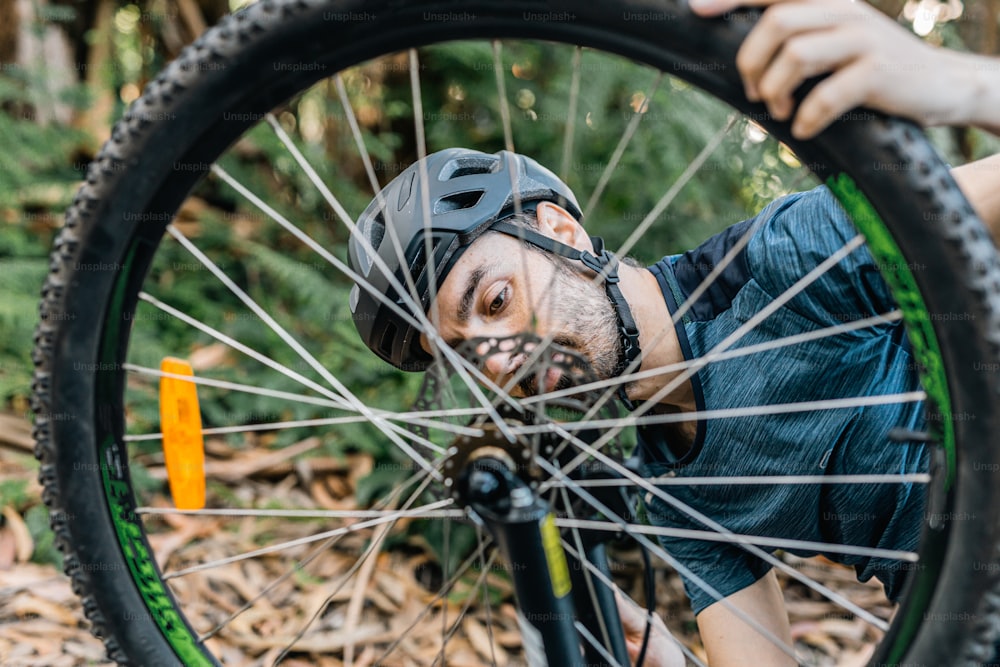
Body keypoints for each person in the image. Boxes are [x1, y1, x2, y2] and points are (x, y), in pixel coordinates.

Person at [345, 1, 1000, 665]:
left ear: (561, 232)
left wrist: (960, 83)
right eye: (461, 356)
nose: (494, 358)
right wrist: (671, 659)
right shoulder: (674, 489)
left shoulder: (790, 259)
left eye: (496, 299)